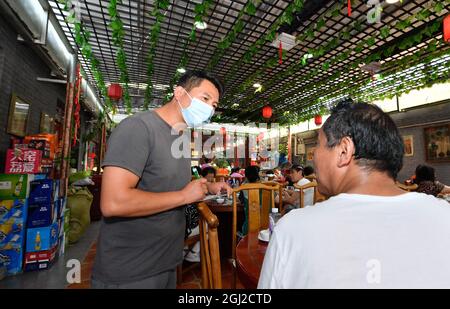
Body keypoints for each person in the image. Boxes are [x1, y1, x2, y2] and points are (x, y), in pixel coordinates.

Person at [258, 100, 450, 289]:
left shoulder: (293, 230)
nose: (314, 155)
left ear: (344, 150)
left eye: (318, 144)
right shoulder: (444, 215)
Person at [91, 70, 231, 289]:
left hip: (167, 260)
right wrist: (185, 196)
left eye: (214, 105)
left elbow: (171, 185)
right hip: (132, 269)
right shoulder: (138, 128)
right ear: (179, 93)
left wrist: (209, 186)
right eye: (205, 98)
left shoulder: (180, 136)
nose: (209, 108)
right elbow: (113, 202)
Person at [239, 166, 261, 235]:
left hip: (249, 228)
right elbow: (277, 200)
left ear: (246, 176)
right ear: (258, 174)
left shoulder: (244, 187)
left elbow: (240, 201)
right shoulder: (268, 186)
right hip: (268, 226)